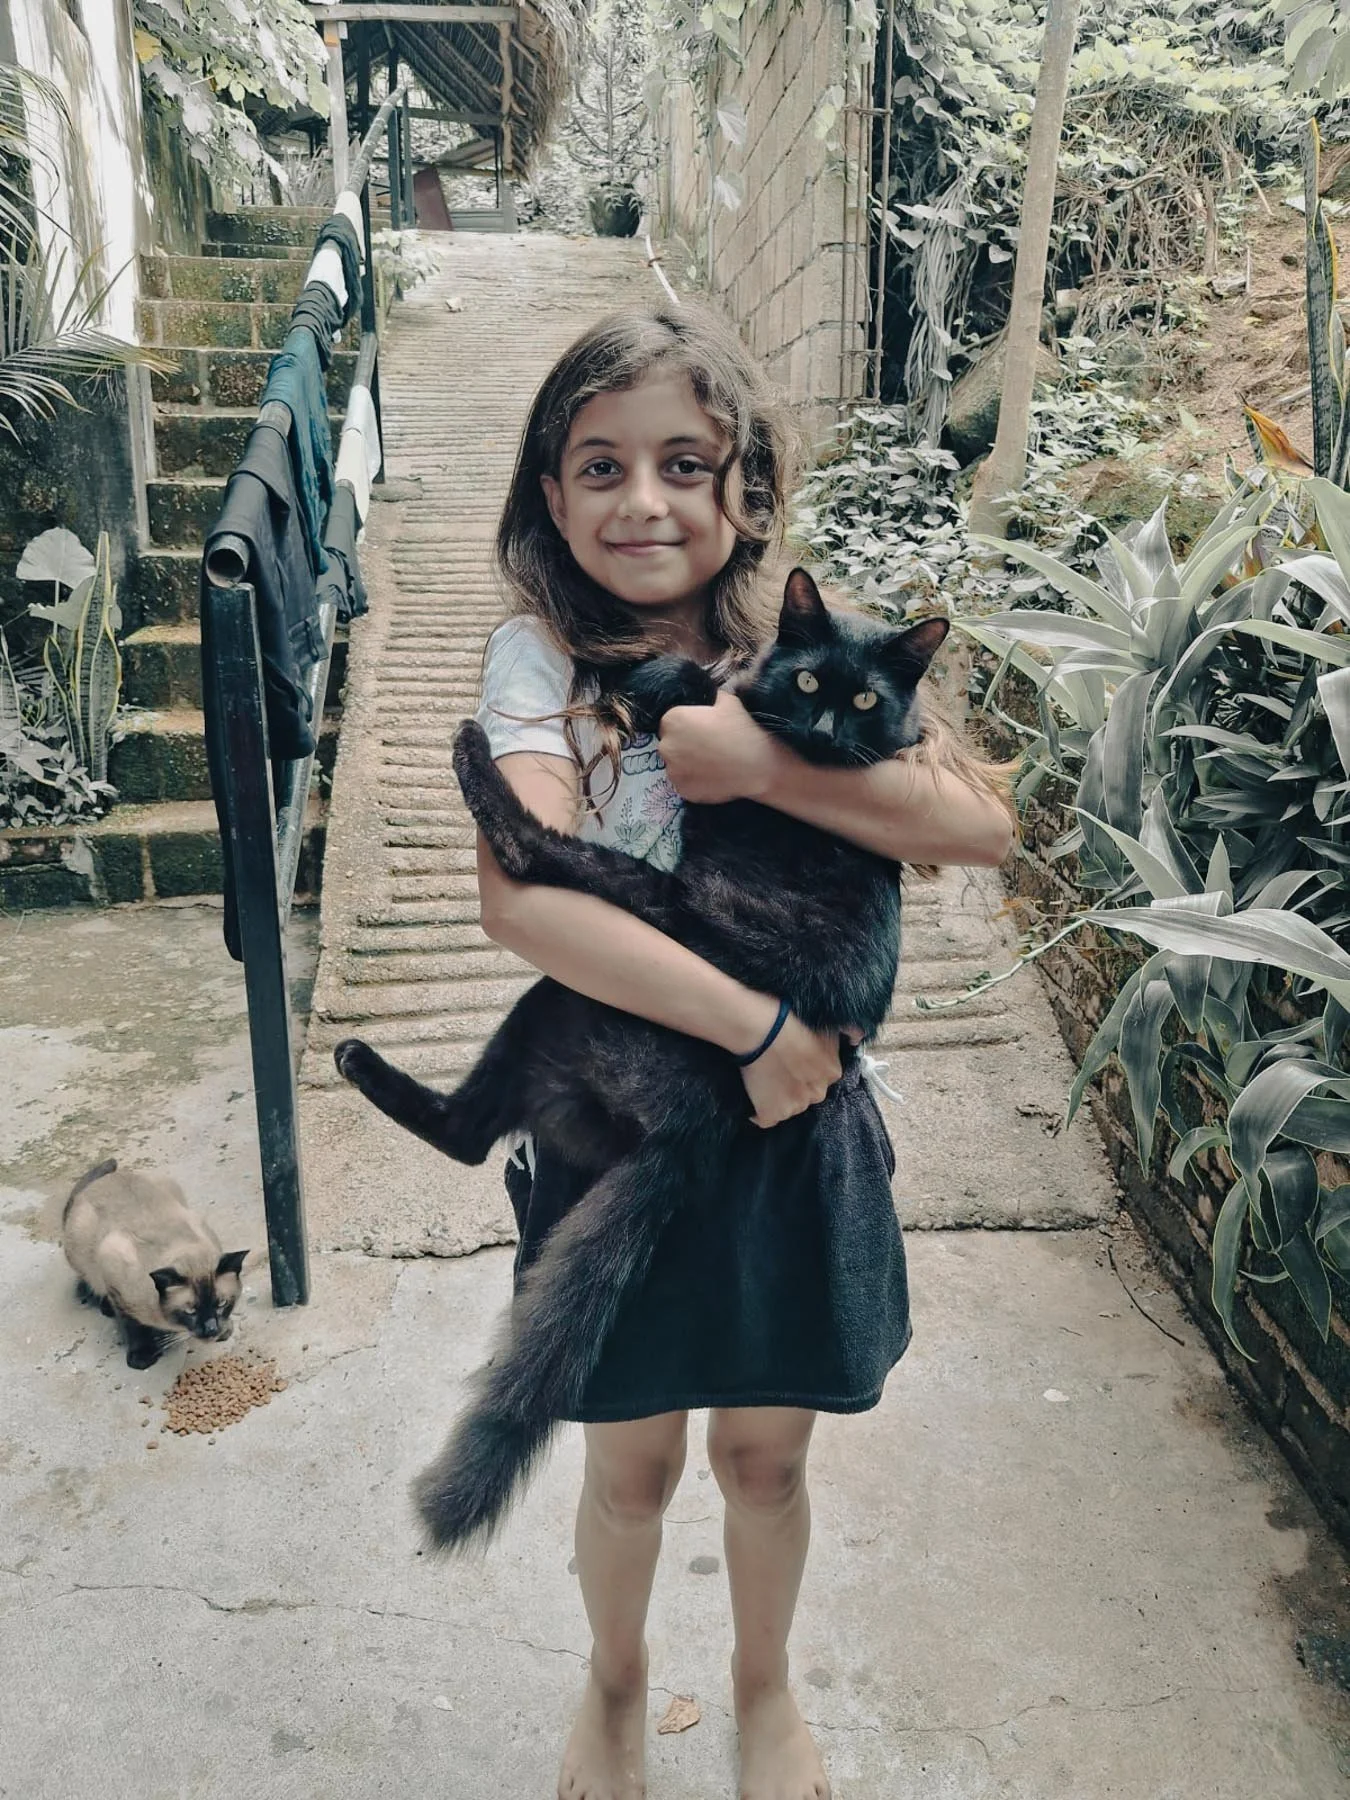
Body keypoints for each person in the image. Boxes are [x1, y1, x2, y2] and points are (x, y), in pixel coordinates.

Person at [472, 305, 1015, 1800]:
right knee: (629, 1465)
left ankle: (766, 1691)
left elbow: (978, 823)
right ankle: (613, 1682)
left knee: (766, 1462)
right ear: (549, 491)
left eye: (682, 464)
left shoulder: (806, 641)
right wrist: (758, 1028)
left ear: (741, 488)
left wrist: (760, 760)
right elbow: (525, 896)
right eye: (599, 466)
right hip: (619, 1128)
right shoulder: (539, 662)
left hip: (799, 1143)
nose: (642, 501)